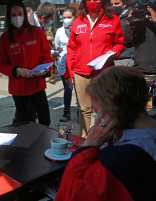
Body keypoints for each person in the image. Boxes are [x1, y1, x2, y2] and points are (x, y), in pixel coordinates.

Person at [55, 66, 156, 201]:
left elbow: (68, 195)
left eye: (98, 113)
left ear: (111, 109)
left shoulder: (119, 159)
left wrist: (88, 146)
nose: (100, 120)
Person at [64, 0, 125, 137]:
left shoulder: (112, 19)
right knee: (84, 110)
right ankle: (84, 140)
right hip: (81, 72)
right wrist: (69, 73)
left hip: (103, 73)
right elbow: (72, 48)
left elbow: (120, 43)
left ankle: (107, 138)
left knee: (105, 109)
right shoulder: (78, 21)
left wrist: (113, 52)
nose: (93, 2)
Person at [0, 0, 53, 126]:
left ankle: (43, 144)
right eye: (14, 15)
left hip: (37, 85)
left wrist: (45, 71)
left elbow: (46, 56)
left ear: (24, 15)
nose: (18, 17)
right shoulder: (5, 39)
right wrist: (16, 71)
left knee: (45, 120)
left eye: (20, 14)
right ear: (9, 17)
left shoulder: (37, 32)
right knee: (24, 124)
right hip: (19, 88)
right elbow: (0, 64)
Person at [124, 0, 156, 108]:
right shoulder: (138, 24)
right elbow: (128, 43)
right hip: (140, 70)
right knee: (137, 107)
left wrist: (154, 21)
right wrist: (129, 24)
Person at [54, 6, 78, 122]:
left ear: (75, 17)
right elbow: (57, 46)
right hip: (65, 65)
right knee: (68, 89)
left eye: (69, 17)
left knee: (79, 91)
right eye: (64, 17)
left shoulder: (78, 29)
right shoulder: (59, 31)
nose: (66, 19)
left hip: (77, 64)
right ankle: (66, 112)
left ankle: (81, 112)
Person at [111, 0, 135, 66]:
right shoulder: (110, 18)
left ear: (124, 4)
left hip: (125, 58)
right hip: (112, 57)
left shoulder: (131, 18)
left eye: (116, 4)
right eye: (111, 4)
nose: (113, 6)